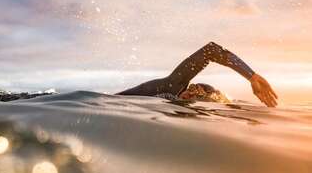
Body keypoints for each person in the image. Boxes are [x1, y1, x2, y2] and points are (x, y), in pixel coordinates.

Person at [116, 41, 278, 107]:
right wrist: (251, 76)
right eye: (193, 88)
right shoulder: (172, 85)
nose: (190, 93)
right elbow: (210, 51)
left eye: (197, 95)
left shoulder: (189, 112)